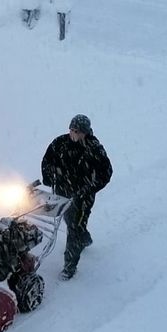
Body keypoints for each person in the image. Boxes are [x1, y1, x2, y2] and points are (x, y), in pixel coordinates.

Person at [41, 114, 112, 280]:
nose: (73, 134)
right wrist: (48, 176)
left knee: (74, 229)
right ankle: (84, 236)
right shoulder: (60, 143)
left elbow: (106, 173)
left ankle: (69, 267)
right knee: (69, 220)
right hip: (62, 193)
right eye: (71, 130)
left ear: (85, 132)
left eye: (77, 131)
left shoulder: (94, 149)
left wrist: (88, 189)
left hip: (83, 198)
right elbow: (47, 160)